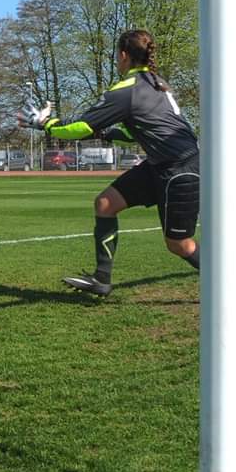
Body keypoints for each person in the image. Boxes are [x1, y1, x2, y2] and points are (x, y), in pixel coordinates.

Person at [18, 29, 200, 297]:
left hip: (179, 170)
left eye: (117, 56)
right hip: (164, 164)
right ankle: (101, 279)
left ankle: (230, 286)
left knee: (179, 244)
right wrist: (103, 132)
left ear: (123, 55)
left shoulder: (127, 90)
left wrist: (44, 123)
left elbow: (80, 126)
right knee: (105, 203)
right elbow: (131, 133)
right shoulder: (156, 82)